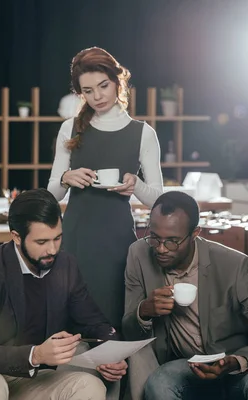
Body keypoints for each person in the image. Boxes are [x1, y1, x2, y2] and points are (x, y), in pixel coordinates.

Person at [0, 189, 128, 400]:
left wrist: (111, 353)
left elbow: (94, 322)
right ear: (16, 237)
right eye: (41, 242)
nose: (52, 250)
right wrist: (36, 354)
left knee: (89, 386)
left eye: (57, 238)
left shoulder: (66, 266)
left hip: (30, 375)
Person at [122, 191, 248, 400]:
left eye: (172, 241)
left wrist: (237, 361)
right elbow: (129, 331)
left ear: (195, 233)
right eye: (155, 238)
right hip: (189, 365)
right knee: (160, 383)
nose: (161, 249)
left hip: (238, 363)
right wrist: (144, 311)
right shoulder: (138, 254)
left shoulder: (234, 265)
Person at [48, 47, 163, 328]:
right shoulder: (70, 128)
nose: (97, 96)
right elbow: (50, 195)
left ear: (117, 82)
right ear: (80, 93)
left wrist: (135, 185)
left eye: (103, 86)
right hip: (74, 238)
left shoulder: (143, 134)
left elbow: (159, 200)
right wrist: (65, 178)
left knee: (113, 319)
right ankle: (74, 373)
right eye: (87, 91)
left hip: (117, 243)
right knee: (70, 320)